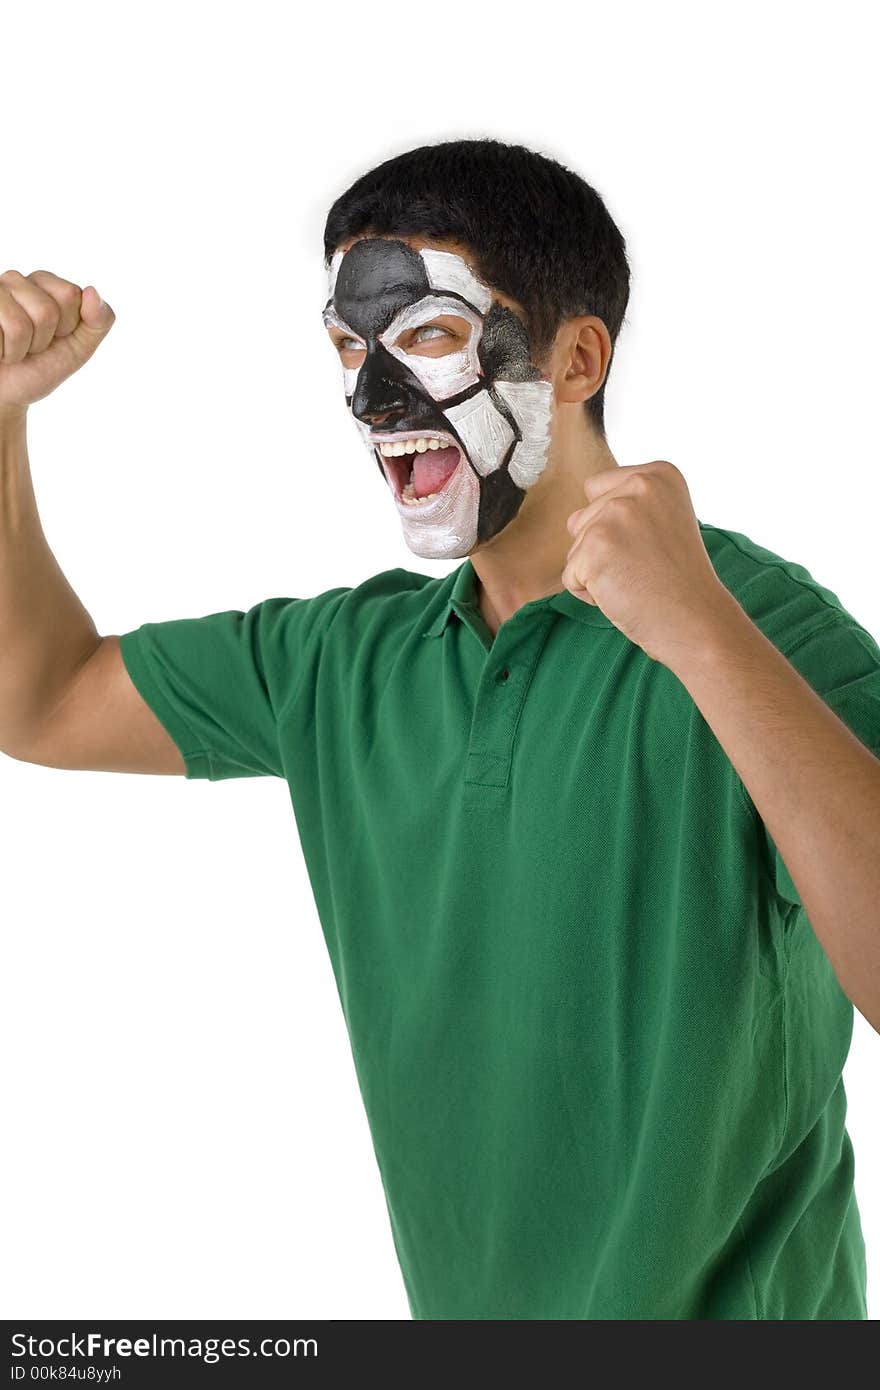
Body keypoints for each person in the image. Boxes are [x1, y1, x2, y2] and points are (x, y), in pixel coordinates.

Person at [2, 137, 877, 1321]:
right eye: (349, 350)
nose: (370, 397)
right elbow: (43, 698)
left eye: (424, 338)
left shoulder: (758, 624)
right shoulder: (343, 663)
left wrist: (700, 631)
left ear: (575, 359)